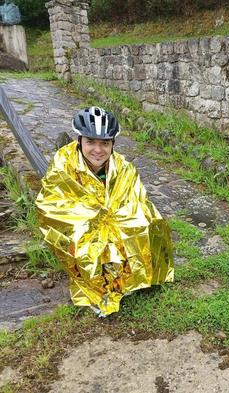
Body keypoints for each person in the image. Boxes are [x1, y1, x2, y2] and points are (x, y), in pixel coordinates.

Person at [35, 106, 174, 317]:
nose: (98, 150)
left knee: (149, 223)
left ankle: (134, 278)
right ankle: (96, 286)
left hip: (116, 216)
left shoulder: (123, 167)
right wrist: (92, 217)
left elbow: (135, 197)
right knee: (88, 240)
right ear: (79, 141)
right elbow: (53, 203)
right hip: (81, 222)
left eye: (105, 143)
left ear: (113, 145)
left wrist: (122, 217)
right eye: (91, 142)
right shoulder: (64, 164)